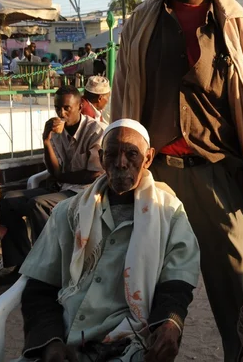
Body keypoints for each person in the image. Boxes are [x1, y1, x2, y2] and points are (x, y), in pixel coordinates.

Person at [111, 0, 243, 361]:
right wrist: (118, 170)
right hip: (159, 177)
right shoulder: (140, 25)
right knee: (146, 291)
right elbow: (123, 98)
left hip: (219, 177)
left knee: (237, 297)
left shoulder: (235, 22)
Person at [18, 119, 200, 362]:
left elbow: (177, 283)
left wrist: (170, 323)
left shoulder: (170, 213)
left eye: (132, 154)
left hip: (130, 342)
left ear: (147, 158)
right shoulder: (68, 212)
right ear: (101, 157)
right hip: (66, 342)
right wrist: (50, 342)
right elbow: (40, 288)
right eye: (112, 154)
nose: (121, 163)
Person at [0, 86, 104, 285]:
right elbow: (54, 171)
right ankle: (20, 265)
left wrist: (62, 176)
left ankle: (48, 266)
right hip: (62, 188)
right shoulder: (55, 131)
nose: (61, 113)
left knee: (38, 204)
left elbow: (94, 174)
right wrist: (46, 141)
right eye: (57, 108)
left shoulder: (95, 131)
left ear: (80, 106)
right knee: (8, 200)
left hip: (86, 192)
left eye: (66, 108)